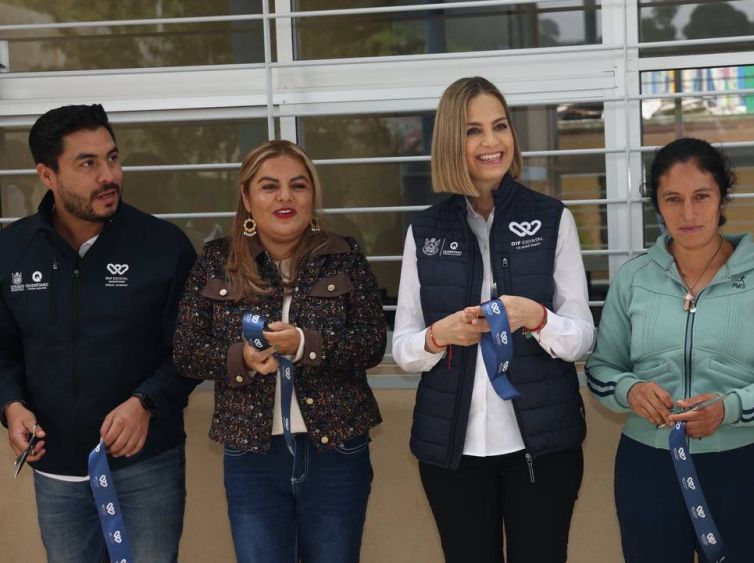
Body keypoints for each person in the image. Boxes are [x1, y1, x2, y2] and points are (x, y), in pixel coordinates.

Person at [391, 76, 595, 563]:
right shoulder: (424, 230)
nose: (491, 142)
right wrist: (438, 337)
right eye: (473, 130)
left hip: (541, 450)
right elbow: (402, 347)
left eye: (499, 126)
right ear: (449, 142)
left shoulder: (551, 218)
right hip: (451, 454)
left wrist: (538, 317)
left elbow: (583, 337)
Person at [586, 137, 754, 563]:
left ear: (722, 197)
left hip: (738, 463)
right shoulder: (633, 279)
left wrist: (731, 408)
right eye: (673, 199)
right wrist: (629, 390)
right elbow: (599, 368)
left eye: (701, 196)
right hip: (648, 465)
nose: (688, 213)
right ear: (657, 204)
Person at [0, 104, 198, 561]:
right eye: (87, 163)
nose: (108, 175)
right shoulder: (12, 251)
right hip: (57, 476)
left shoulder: (164, 247)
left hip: (147, 465)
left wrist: (146, 402)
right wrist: (11, 407)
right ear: (47, 174)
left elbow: (190, 351)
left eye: (112, 158)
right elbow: (2, 351)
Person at [173, 139, 385, 563]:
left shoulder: (343, 256)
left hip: (336, 449)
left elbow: (371, 341)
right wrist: (241, 359)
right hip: (251, 453)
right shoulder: (217, 261)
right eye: (269, 186)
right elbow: (186, 349)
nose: (285, 196)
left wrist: (306, 345)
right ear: (247, 199)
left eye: (298, 185)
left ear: (312, 196)